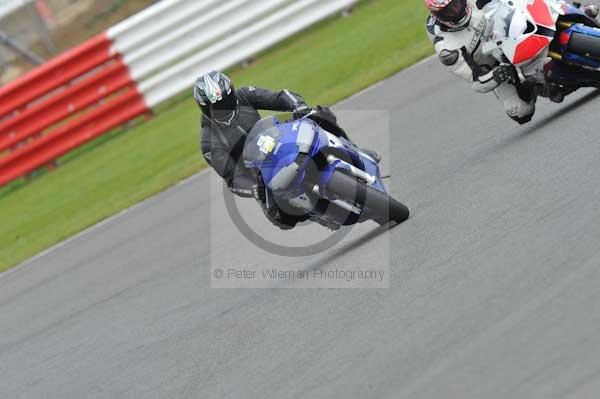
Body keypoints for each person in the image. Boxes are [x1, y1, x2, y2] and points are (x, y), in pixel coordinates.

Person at [194, 70, 379, 230]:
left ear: (231, 94)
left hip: (280, 141)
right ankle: (315, 213)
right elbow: (232, 177)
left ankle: (355, 150)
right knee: (280, 217)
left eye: (224, 101)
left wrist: (298, 106)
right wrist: (254, 189)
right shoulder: (209, 141)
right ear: (204, 108)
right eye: (215, 107)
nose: (222, 108)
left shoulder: (244, 96)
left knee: (318, 115)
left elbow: (279, 96)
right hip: (262, 175)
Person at [424, 0, 599, 125]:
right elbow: (477, 82)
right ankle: (539, 86)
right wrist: (497, 74)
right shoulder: (447, 48)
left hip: (507, 34)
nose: (456, 10)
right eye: (448, 11)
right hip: (496, 65)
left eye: (456, 3)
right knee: (521, 111)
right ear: (437, 15)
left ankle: (574, 9)